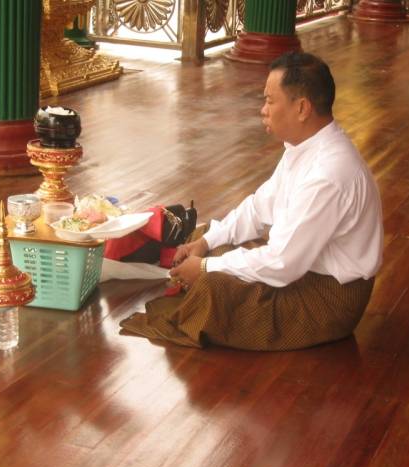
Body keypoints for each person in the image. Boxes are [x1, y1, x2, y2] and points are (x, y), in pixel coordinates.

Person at [120, 51, 383, 351]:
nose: (263, 110)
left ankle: (202, 289)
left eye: (270, 101)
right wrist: (206, 247)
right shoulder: (306, 148)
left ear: (301, 108)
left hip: (326, 298)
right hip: (303, 269)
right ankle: (204, 264)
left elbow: (283, 263)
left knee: (212, 288)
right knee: (207, 237)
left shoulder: (329, 173)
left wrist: (206, 268)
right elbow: (259, 207)